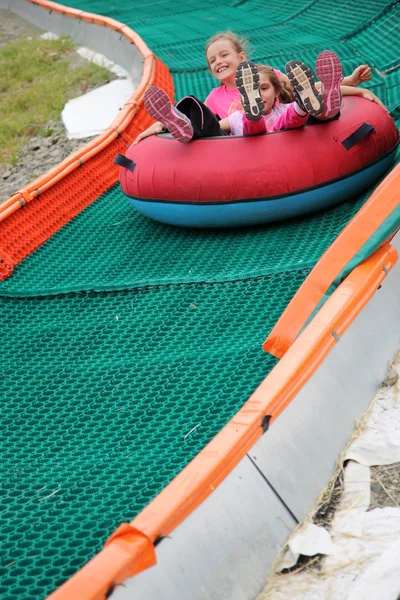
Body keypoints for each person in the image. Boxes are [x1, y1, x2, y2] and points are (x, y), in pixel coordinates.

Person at [134, 31, 381, 144]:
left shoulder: (268, 75)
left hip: (284, 129)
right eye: (212, 61)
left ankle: (324, 104)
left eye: (224, 55)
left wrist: (351, 85)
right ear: (210, 70)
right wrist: (163, 125)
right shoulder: (214, 96)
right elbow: (213, 126)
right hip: (246, 141)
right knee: (202, 117)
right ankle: (180, 121)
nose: (219, 62)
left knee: (301, 103)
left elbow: (303, 87)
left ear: (242, 58)